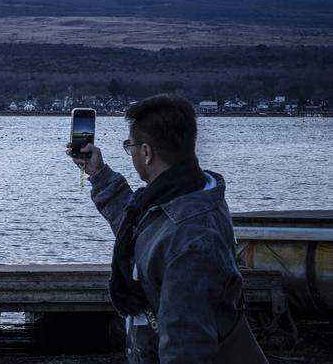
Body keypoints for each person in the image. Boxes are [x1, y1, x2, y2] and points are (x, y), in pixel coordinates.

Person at [66, 94, 267, 364]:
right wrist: (98, 174)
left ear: (147, 153)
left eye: (131, 146)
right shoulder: (190, 194)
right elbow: (145, 232)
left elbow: (186, 346)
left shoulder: (191, 238)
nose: (132, 153)